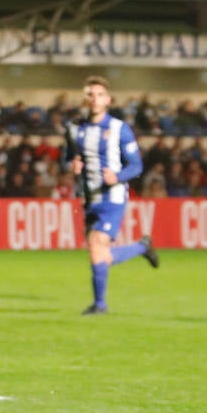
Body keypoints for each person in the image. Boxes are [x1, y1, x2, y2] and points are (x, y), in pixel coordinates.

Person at [65, 76, 158, 315]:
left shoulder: (119, 129)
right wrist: (72, 166)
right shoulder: (76, 128)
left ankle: (100, 305)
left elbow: (136, 166)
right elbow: (68, 159)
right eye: (90, 95)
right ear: (84, 99)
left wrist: (116, 177)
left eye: (99, 95)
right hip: (89, 198)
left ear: (108, 100)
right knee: (99, 254)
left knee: (97, 246)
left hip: (113, 197)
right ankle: (141, 247)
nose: (94, 100)